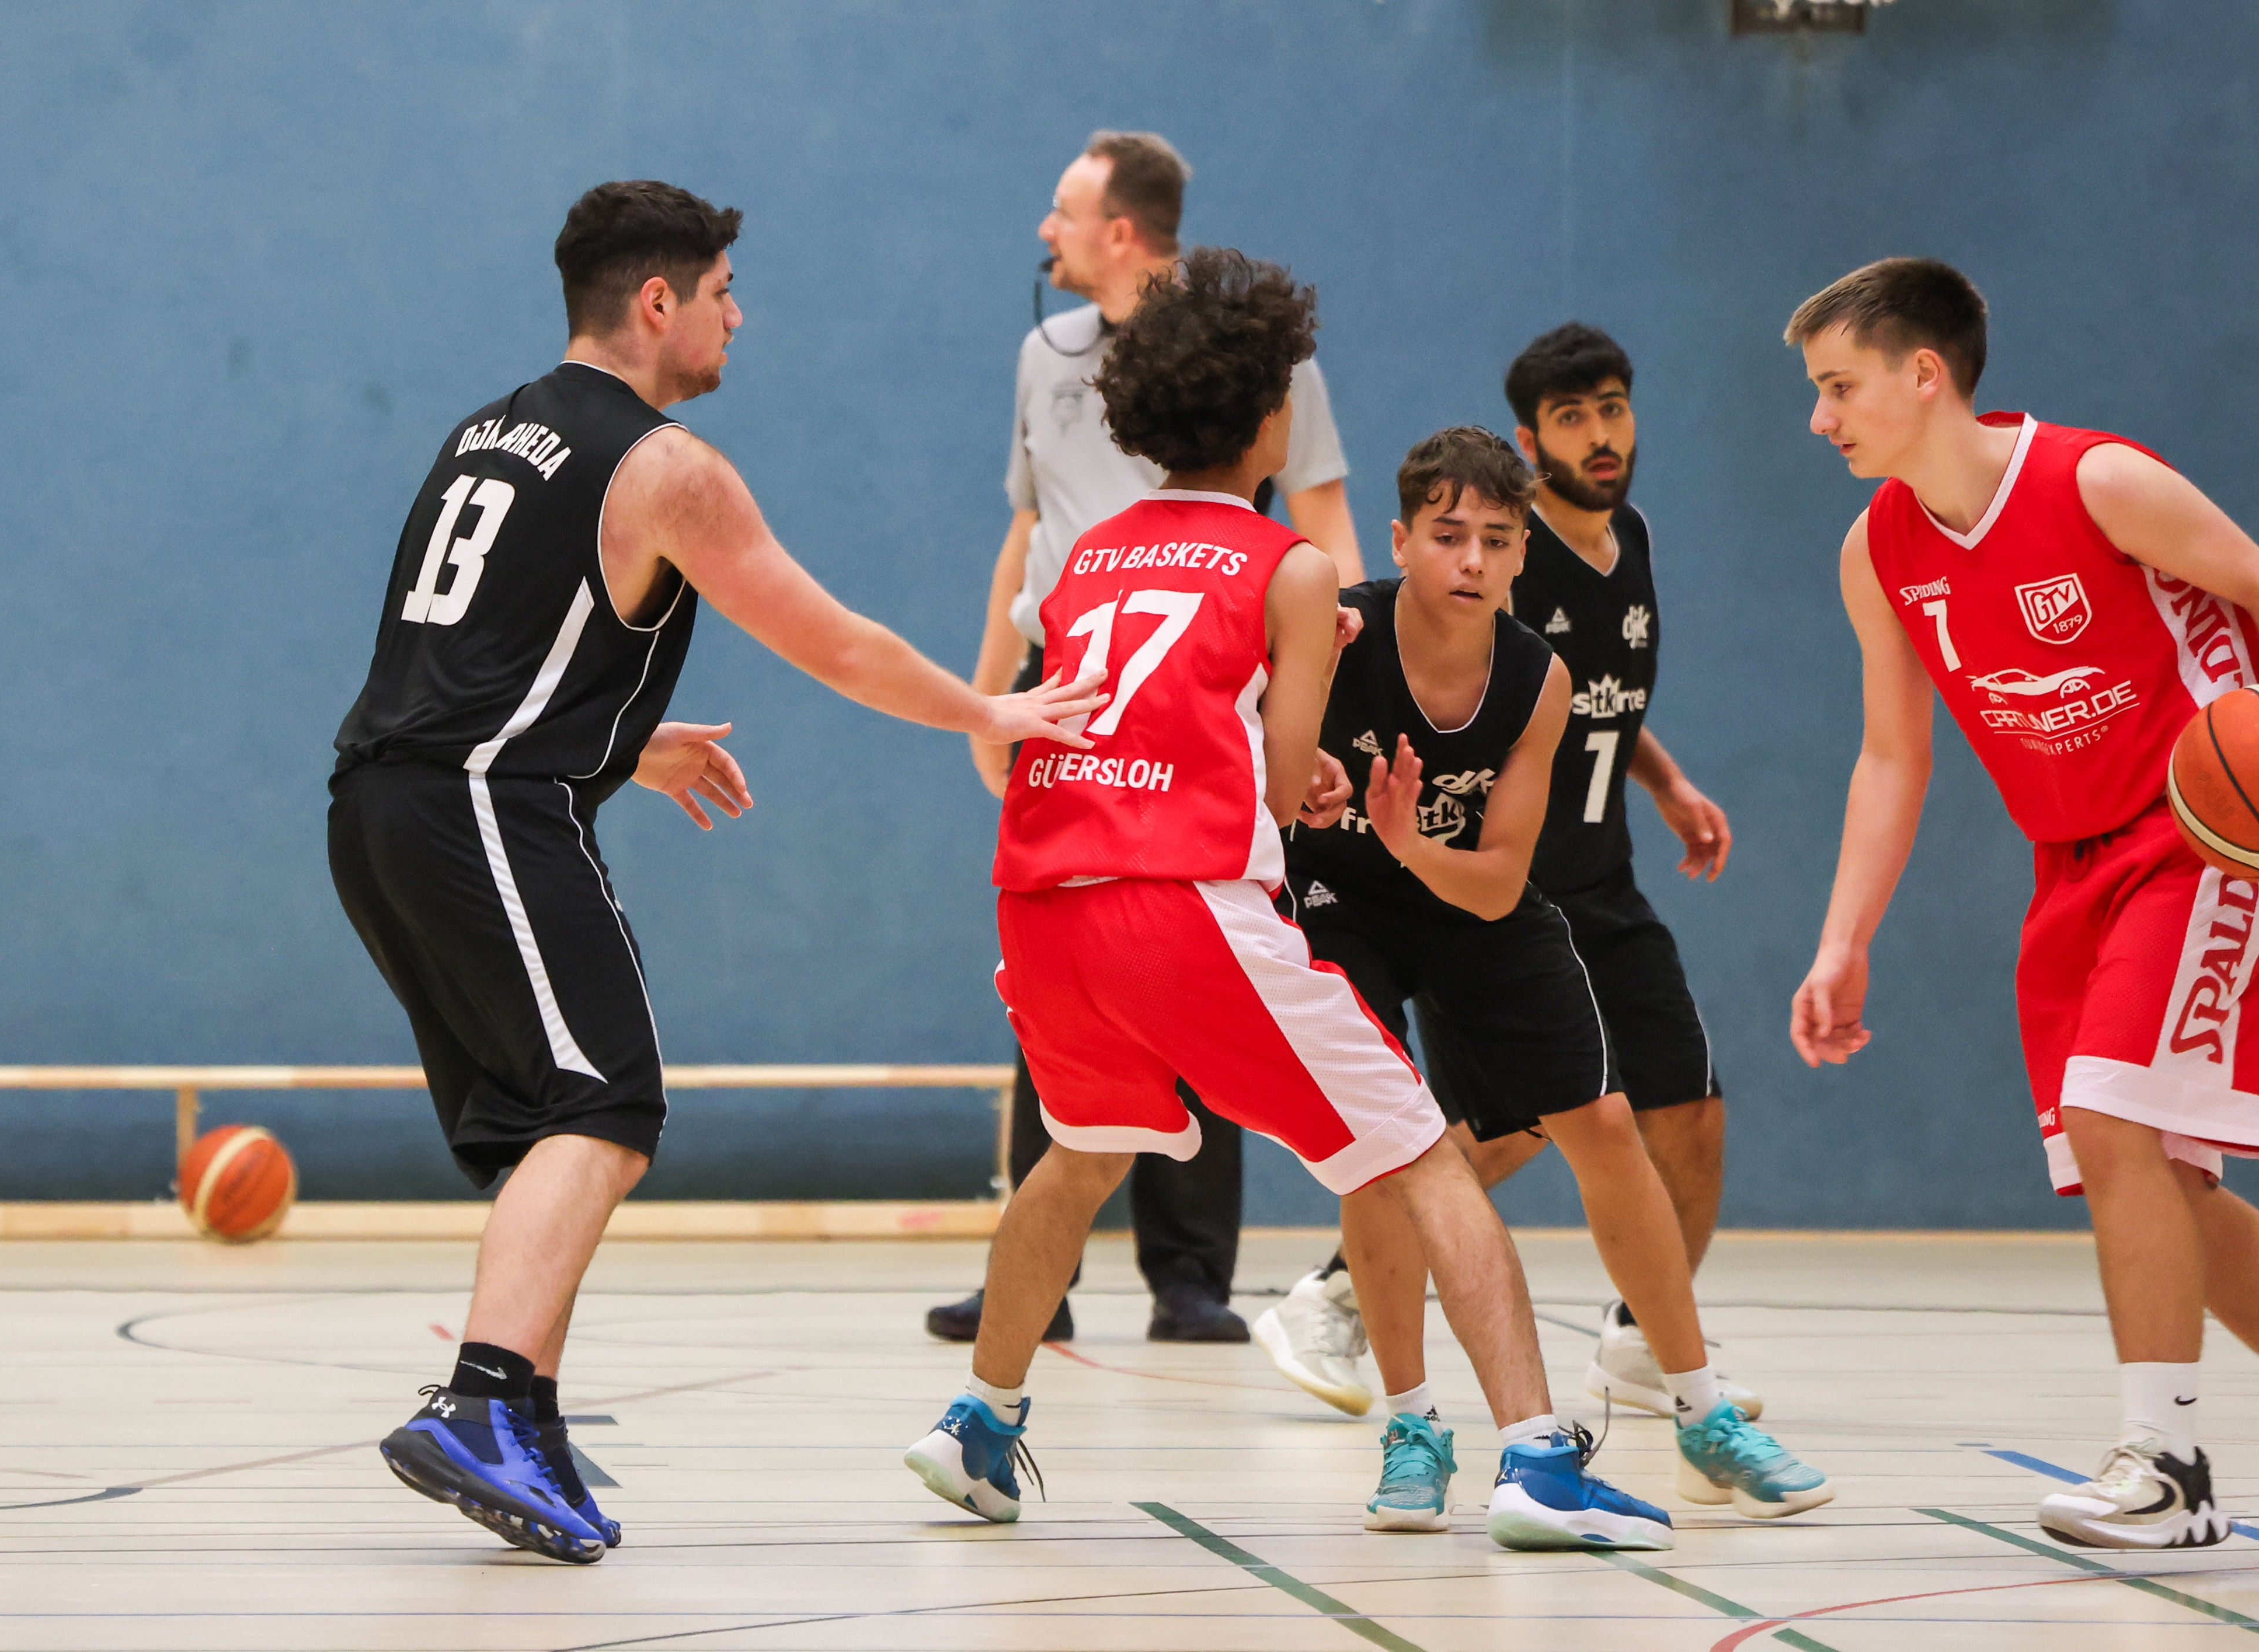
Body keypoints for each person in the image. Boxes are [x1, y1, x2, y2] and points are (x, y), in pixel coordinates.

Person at [329, 180, 1102, 1565]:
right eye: (724, 291)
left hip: (386, 806)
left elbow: (472, 657)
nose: (739, 317)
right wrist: (990, 708)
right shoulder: (666, 465)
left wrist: (619, 740)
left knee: (556, 1120)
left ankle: (525, 1420)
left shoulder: (486, 432)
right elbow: (837, 642)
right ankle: (483, 1402)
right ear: (657, 302)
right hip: (484, 808)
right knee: (605, 1104)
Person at [903, 248, 1670, 1553]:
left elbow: (1162, 711)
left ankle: (980, 1416)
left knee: (1076, 1156)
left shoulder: (1090, 551)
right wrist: (1301, 762)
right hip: (1180, 901)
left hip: (1041, 898)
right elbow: (1278, 775)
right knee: (1426, 1156)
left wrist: (1274, 752)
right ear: (1269, 418)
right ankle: (1540, 1460)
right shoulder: (1292, 567)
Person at [1784, 256, 2259, 1563]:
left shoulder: (2096, 481)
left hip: (2204, 834)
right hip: (2068, 866)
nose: (1820, 417)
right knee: (2160, 1188)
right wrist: (1843, 938)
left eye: (1838, 386)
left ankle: (2168, 1465)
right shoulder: (1877, 551)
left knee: (2118, 1124)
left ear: (1923, 374)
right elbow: (1892, 755)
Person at [1271, 426, 1828, 1532]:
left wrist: (1408, 841)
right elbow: (1248, 757)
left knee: (1605, 1122)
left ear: (1523, 553)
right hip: (1339, 901)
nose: (1471, 559)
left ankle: (1701, 1412)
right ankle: (1412, 1430)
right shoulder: (1337, 633)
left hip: (1463, 893)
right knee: (1382, 1156)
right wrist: (1302, 783)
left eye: (1495, 537)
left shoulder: (1537, 676)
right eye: (1447, 536)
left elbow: (1495, 884)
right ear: (1400, 541)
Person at [928, 130, 1366, 1347]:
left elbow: (1324, 514)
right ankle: (1040, 1271)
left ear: (1121, 229)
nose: (1045, 230)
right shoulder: (1045, 354)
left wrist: (1326, 689)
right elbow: (1025, 530)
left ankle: (1189, 1272)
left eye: (1062, 209)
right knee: (1061, 944)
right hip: (1069, 676)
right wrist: (988, 694)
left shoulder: (1264, 359)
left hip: (1213, 664)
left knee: (1206, 934)